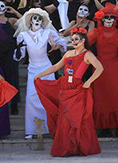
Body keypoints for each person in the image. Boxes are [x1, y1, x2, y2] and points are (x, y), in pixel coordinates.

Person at [35, 27, 104, 157]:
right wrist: (40, 74)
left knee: (76, 118)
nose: (74, 42)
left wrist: (89, 81)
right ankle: (66, 147)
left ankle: (78, 147)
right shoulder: (68, 53)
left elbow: (100, 68)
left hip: (77, 88)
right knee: (65, 117)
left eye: (76, 39)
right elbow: (56, 66)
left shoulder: (88, 54)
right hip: (65, 86)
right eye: (72, 40)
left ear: (83, 40)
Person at [13, 8, 67, 139]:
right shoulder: (23, 35)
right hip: (33, 68)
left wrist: (56, 46)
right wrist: (19, 51)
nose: (36, 21)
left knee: (48, 97)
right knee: (31, 97)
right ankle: (32, 130)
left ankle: (51, 127)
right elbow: (20, 56)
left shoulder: (48, 32)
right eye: (34, 18)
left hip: (46, 68)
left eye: (39, 19)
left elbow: (62, 42)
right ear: (30, 21)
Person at [88, 4, 118, 138]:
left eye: (111, 18)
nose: (109, 20)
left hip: (115, 67)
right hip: (100, 68)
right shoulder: (96, 32)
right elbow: (84, 43)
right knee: (102, 96)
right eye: (106, 17)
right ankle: (104, 127)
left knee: (117, 95)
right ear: (102, 19)